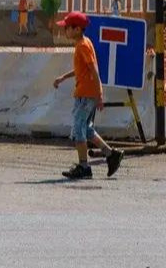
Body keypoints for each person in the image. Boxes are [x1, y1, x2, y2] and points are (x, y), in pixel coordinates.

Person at [52, 12, 124, 180]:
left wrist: (99, 93)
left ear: (77, 29)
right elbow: (82, 70)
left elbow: (94, 70)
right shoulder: (84, 43)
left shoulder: (83, 46)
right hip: (86, 93)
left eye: (67, 28)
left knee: (78, 130)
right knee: (87, 130)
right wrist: (63, 77)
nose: (65, 31)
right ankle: (111, 154)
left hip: (86, 95)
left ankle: (84, 167)